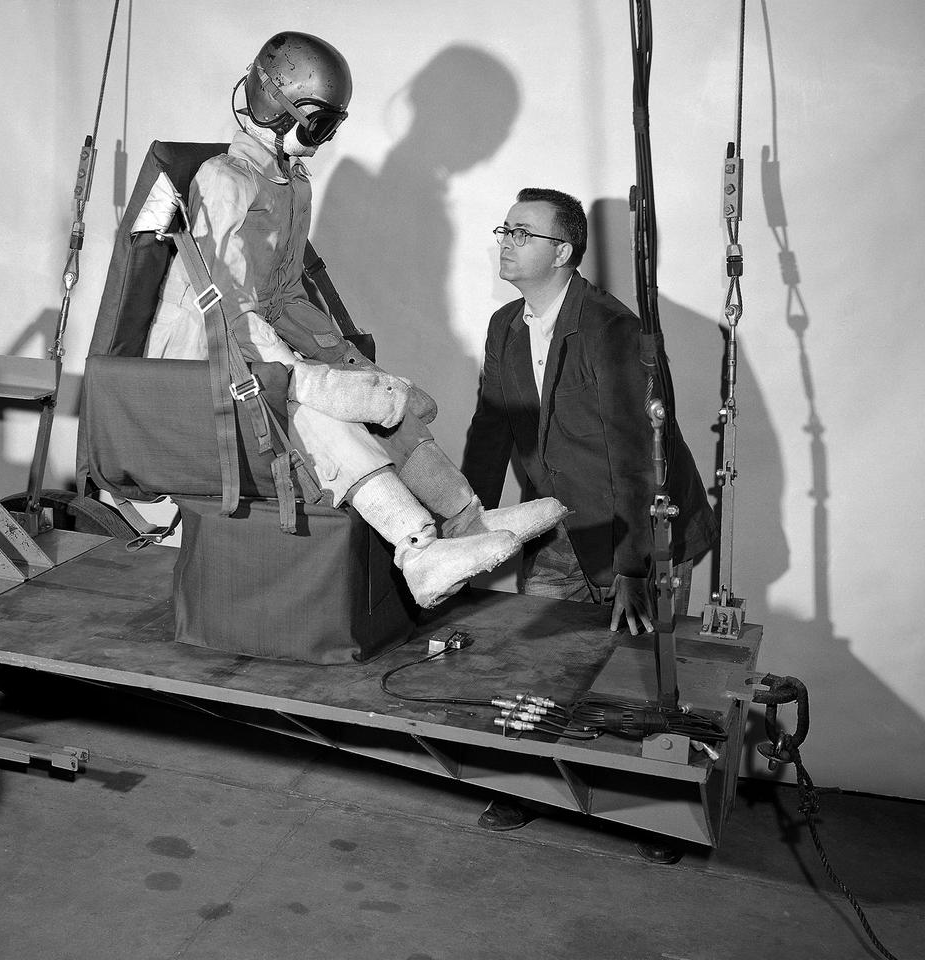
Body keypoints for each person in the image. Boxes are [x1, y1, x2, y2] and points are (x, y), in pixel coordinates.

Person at [144, 31, 565, 609]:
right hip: (205, 365)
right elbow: (221, 307)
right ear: (274, 102)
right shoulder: (224, 181)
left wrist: (347, 362)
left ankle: (465, 519)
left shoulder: (289, 184)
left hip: (253, 351)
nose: (320, 142)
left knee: (376, 398)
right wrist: (307, 378)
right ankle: (418, 550)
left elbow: (284, 293)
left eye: (330, 127)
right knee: (323, 411)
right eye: (315, 125)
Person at [460, 188, 716, 842]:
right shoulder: (506, 327)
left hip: (640, 528)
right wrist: (463, 527)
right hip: (559, 529)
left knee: (641, 681)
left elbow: (639, 460)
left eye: (523, 232)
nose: (506, 242)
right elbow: (492, 430)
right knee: (542, 667)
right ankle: (528, 786)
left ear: (564, 250)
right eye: (504, 228)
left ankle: (658, 817)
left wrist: (635, 566)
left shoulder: (611, 330)